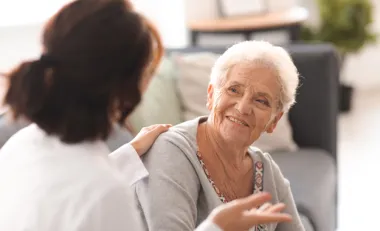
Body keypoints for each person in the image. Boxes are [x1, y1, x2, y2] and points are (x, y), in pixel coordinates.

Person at [0, 1, 292, 231]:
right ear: (127, 87)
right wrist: (218, 227)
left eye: (261, 100)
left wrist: (128, 154)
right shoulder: (105, 192)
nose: (243, 107)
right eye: (147, 73)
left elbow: (64, 191)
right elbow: (85, 194)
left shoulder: (20, 146)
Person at [134, 41, 306, 231]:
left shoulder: (267, 172)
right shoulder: (171, 150)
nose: (242, 108)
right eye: (233, 90)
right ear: (210, 95)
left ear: (274, 121)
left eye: (261, 101)